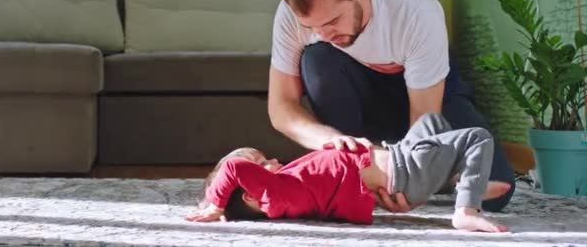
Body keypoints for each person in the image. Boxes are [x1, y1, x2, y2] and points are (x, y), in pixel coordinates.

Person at [267, 0, 515, 212]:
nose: (325, 34)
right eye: (312, 27)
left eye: (333, 21)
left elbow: (424, 119)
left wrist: (411, 186)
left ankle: (420, 174)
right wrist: (330, 141)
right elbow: (281, 107)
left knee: (497, 187)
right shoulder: (292, 18)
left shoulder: (415, 11)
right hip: (361, 100)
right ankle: (363, 168)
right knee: (316, 59)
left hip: (429, 102)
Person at [186, 114, 510, 232]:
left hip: (398, 162)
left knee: (431, 122)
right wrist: (215, 205)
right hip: (403, 172)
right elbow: (233, 167)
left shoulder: (286, 187)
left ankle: (461, 181)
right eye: (263, 163)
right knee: (477, 137)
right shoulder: (275, 195)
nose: (272, 160)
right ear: (250, 194)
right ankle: (466, 208)